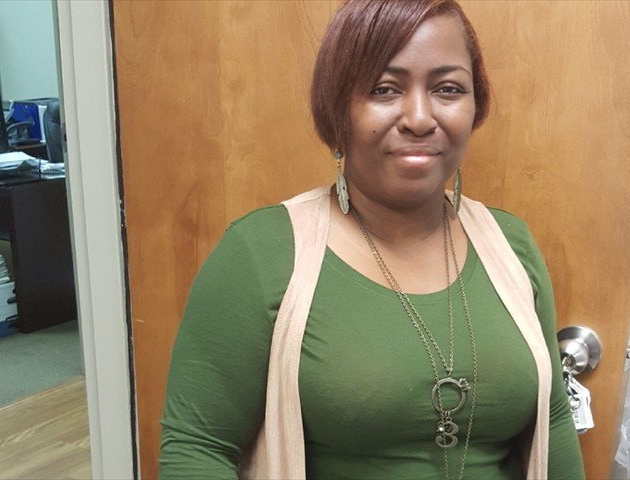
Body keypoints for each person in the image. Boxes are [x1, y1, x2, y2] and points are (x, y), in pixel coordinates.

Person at [159, 1, 586, 479]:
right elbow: (196, 448)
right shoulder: (260, 254)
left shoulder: (511, 244)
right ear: (337, 108)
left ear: (475, 105)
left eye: (448, 89)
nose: (420, 118)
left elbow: (553, 421)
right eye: (384, 89)